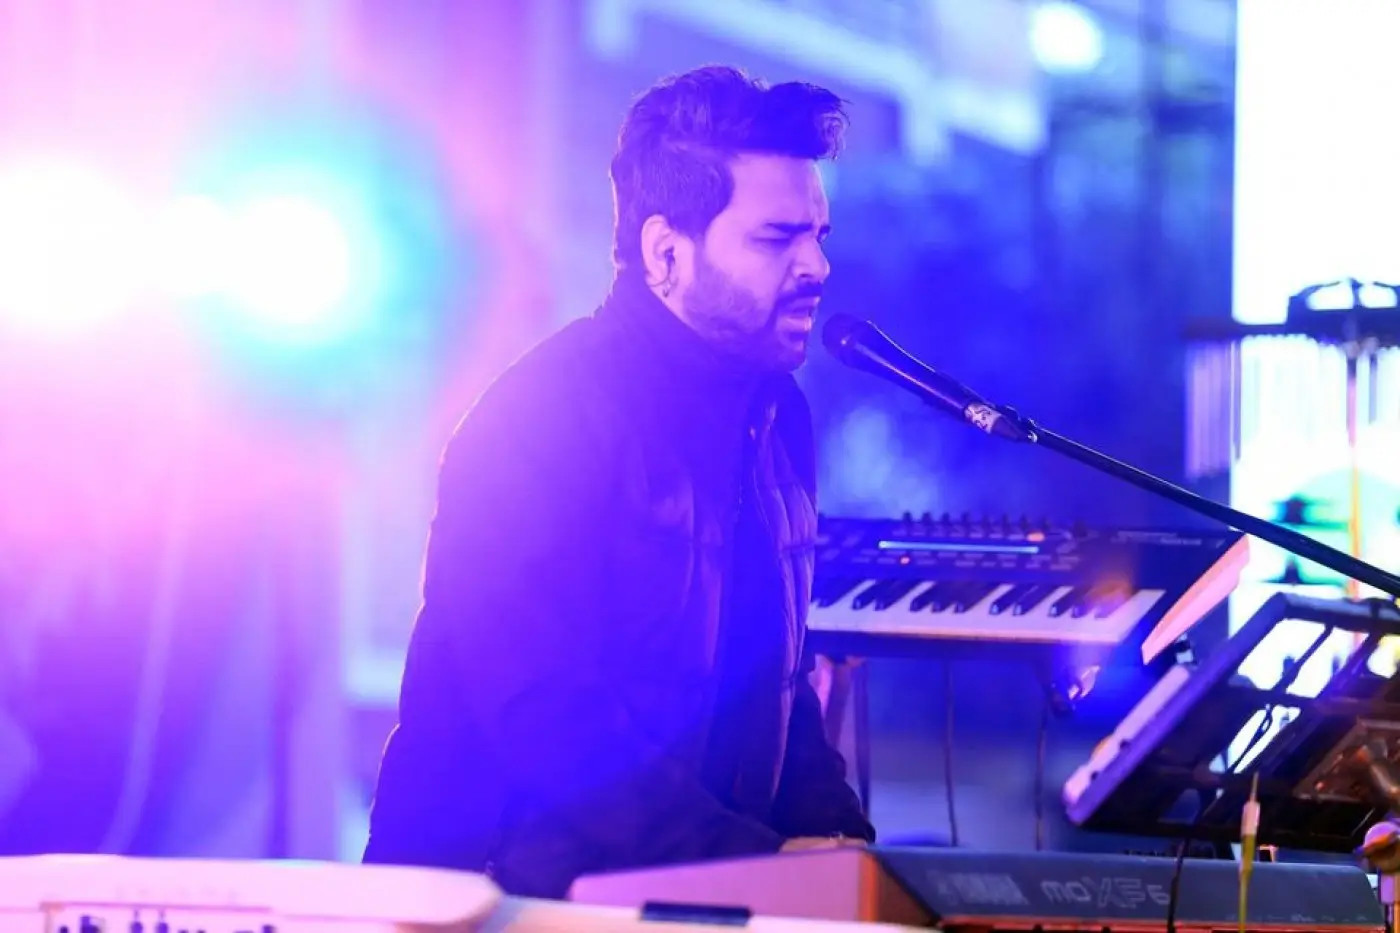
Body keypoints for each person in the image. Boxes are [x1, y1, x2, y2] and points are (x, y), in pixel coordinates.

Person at [363, 64, 874, 898]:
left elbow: (774, 688)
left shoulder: (778, 416)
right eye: (776, 239)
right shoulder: (539, 417)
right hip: (500, 898)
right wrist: (758, 860)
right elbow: (546, 719)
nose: (816, 265)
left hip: (692, 885)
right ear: (666, 252)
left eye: (818, 234)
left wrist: (850, 850)